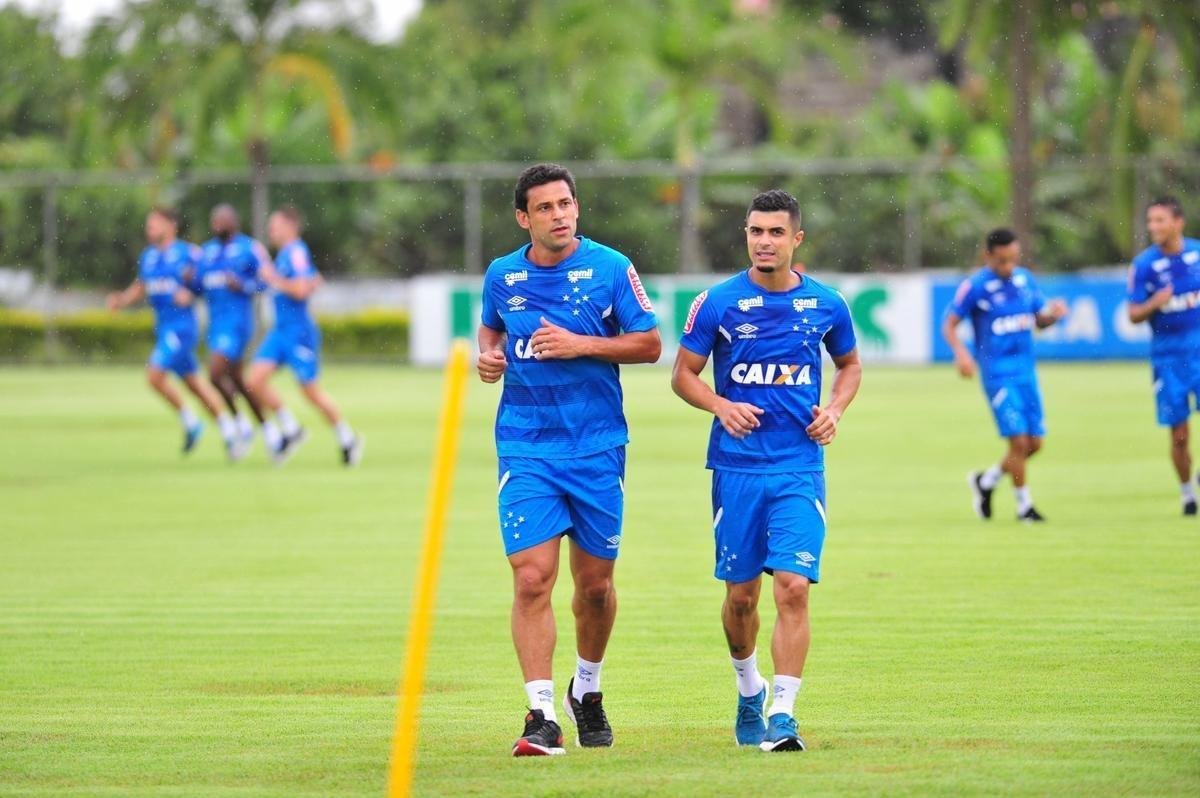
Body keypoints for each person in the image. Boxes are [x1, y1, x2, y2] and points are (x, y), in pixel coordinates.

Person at [476, 163, 661, 756]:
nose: (559, 215)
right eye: (546, 207)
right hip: (526, 444)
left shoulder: (611, 268)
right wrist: (489, 358)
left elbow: (651, 344)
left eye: (566, 204)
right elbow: (490, 335)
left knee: (596, 588)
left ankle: (589, 689)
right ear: (523, 218)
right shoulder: (502, 276)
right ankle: (540, 714)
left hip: (597, 446)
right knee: (532, 577)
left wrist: (582, 343)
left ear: (576, 208)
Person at [671, 189, 862, 753]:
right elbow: (683, 374)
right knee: (741, 600)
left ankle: (783, 712)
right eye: (756, 231)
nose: (764, 241)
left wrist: (834, 410)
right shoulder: (718, 302)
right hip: (736, 470)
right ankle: (748, 688)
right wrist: (720, 406)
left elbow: (849, 365)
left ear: (796, 239)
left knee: (794, 587)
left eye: (776, 232)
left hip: (799, 467)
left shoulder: (827, 303)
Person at [942, 228, 1068, 522]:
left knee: (1035, 444)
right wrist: (961, 354)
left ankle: (987, 481)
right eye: (1002, 261)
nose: (1008, 267)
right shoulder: (975, 286)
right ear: (988, 256)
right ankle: (1025, 507)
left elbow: (1040, 321)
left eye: (1013, 259)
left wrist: (1054, 315)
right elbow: (949, 325)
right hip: (998, 374)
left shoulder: (1025, 280)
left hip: (1026, 373)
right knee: (1019, 443)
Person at [106, 207, 239, 456]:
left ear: (170, 225)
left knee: (154, 376)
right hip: (164, 328)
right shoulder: (149, 257)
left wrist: (191, 294)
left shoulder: (189, 254)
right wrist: (121, 301)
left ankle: (191, 422)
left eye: (154, 224)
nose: (150, 229)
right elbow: (142, 286)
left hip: (182, 329)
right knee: (195, 386)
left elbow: (208, 280)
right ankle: (229, 429)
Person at [246, 206, 364, 466]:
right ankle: (291, 428)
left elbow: (299, 290)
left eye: (275, 225)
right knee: (254, 380)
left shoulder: (296, 251)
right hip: (280, 331)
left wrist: (274, 279)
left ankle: (347, 437)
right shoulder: (287, 255)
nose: (271, 230)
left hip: (298, 332)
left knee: (310, 391)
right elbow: (311, 280)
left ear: (290, 226)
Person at [1126, 196, 1200, 516]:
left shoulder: (1198, 253)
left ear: (1178, 222)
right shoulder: (1144, 265)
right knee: (1179, 433)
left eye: (1160, 220)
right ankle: (1187, 494)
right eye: (1150, 221)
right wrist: (1155, 302)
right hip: (1168, 359)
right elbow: (1133, 314)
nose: (1153, 227)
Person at [194, 204, 273, 458]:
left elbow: (264, 283)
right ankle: (270, 431)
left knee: (215, 374)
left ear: (234, 222)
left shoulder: (249, 248)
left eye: (222, 220)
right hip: (215, 326)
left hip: (237, 325)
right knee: (239, 381)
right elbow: (199, 285)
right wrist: (188, 285)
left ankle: (240, 423)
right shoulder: (206, 252)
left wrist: (243, 285)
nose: (217, 224)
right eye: (213, 220)